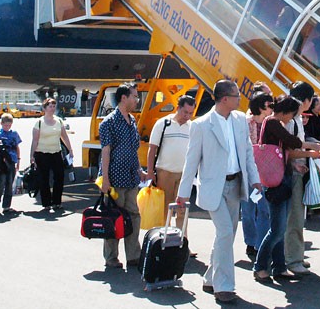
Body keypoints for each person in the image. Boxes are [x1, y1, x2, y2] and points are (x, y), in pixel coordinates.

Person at [176, 80, 261, 303]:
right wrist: (183, 193)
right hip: (214, 187)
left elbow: (248, 153)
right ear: (224, 99)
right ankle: (224, 286)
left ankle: (210, 278)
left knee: (227, 234)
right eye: (236, 95)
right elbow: (191, 161)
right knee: (225, 232)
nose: (240, 99)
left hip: (236, 184)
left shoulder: (241, 120)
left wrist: (255, 180)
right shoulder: (201, 125)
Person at [253, 95, 320, 282]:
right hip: (275, 182)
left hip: (282, 177)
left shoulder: (276, 124)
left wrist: (294, 165)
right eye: (292, 114)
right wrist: (311, 147)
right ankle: (259, 267)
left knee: (280, 227)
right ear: (285, 111)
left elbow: (283, 151)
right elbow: (292, 142)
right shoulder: (273, 122)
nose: (292, 118)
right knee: (277, 229)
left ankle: (279, 266)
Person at [99, 83, 147, 269]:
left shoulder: (132, 121)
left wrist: (139, 170)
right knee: (114, 217)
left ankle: (133, 255)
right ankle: (111, 257)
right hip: (115, 178)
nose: (137, 100)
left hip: (130, 178)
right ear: (123, 98)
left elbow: (133, 149)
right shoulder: (108, 122)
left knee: (133, 215)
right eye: (134, 96)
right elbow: (105, 151)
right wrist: (105, 178)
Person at [284, 81, 319, 275]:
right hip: (293, 173)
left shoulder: (294, 118)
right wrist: (310, 153)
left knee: (297, 216)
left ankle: (295, 255)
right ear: (307, 100)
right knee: (294, 217)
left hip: (296, 171)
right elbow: (289, 149)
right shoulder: (293, 119)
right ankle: (293, 259)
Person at [146, 95, 196, 229]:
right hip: (164, 172)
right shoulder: (163, 123)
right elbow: (152, 149)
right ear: (178, 108)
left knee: (182, 210)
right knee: (164, 210)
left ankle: (182, 243)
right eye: (185, 112)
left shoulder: (193, 127)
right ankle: (163, 240)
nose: (187, 116)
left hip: (184, 174)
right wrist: (150, 172)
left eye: (191, 113)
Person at [242, 91, 274, 259]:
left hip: (265, 172)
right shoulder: (246, 123)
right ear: (262, 106)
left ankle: (261, 243)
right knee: (247, 210)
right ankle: (250, 241)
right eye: (270, 105)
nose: (272, 109)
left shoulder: (271, 123)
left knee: (264, 210)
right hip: (248, 172)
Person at [29, 98, 73, 211]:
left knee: (59, 177)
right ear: (45, 108)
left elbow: (64, 136)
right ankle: (46, 203)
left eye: (54, 106)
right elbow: (34, 140)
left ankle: (57, 202)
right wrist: (31, 155)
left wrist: (70, 149)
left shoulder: (59, 121)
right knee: (44, 179)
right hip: (42, 153)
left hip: (56, 152)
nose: (52, 108)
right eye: (50, 106)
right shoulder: (39, 122)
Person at [0, 114, 21, 213]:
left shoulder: (14, 134)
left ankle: (6, 205)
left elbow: (17, 147)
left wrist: (18, 160)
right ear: (1, 123)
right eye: (5, 125)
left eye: (9, 125)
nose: (7, 127)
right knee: (1, 182)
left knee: (9, 184)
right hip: (1, 162)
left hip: (11, 161)